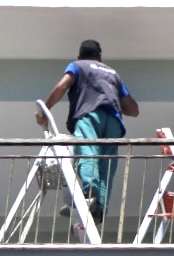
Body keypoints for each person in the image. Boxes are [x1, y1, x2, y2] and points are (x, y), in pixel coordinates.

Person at [37, 39, 139, 222]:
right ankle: (100, 207)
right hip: (114, 122)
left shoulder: (78, 66)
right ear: (99, 56)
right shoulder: (113, 74)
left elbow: (62, 86)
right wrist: (109, 100)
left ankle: (89, 195)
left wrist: (44, 109)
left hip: (89, 116)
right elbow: (133, 109)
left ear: (79, 55)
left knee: (88, 152)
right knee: (107, 163)